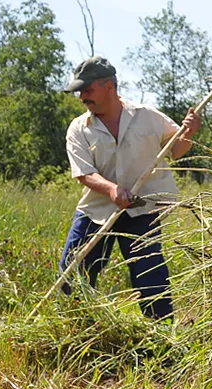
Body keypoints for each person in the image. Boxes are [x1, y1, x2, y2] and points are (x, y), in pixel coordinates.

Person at [57, 56, 201, 320]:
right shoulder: (79, 128)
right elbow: (84, 173)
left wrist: (189, 133)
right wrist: (112, 190)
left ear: (108, 86)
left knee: (150, 274)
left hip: (142, 209)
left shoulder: (146, 117)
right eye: (79, 91)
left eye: (87, 90)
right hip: (97, 209)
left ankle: (160, 335)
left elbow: (175, 150)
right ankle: (72, 328)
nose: (82, 97)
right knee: (73, 270)